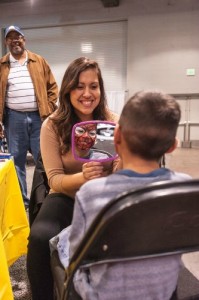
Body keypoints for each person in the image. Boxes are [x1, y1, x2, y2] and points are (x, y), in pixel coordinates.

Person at [52, 90, 192, 300]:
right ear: (173, 146)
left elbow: (79, 256)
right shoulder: (185, 189)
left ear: (116, 136)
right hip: (162, 292)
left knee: (60, 242)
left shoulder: (92, 193)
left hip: (101, 295)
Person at [27, 57, 120, 300]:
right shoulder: (53, 125)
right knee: (38, 238)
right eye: (79, 86)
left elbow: (120, 169)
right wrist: (82, 177)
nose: (87, 93)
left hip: (103, 199)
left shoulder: (112, 121)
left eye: (94, 85)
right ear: (68, 88)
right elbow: (55, 180)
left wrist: (120, 165)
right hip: (65, 197)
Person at [0, 25, 58, 208]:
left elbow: (52, 88)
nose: (15, 40)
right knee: (17, 162)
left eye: (18, 37)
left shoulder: (38, 61)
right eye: (11, 37)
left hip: (38, 117)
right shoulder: (2, 64)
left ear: (24, 39)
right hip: (13, 118)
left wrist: (48, 110)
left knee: (44, 159)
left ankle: (44, 197)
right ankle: (23, 202)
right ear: (6, 41)